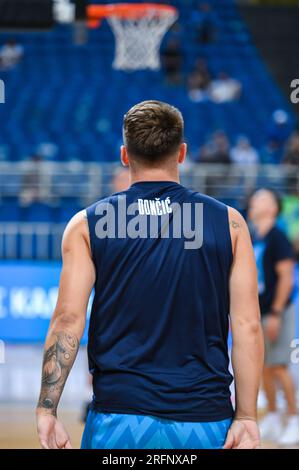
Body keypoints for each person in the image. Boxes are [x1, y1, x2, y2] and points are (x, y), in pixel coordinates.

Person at [36, 100, 263, 449]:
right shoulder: (231, 223)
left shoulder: (85, 225)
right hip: (205, 420)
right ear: (182, 153)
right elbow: (247, 326)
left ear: (125, 155)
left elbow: (68, 320)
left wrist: (47, 409)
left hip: (119, 418)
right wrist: (246, 416)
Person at [248, 189, 299, 446]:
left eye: (260, 199)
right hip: (261, 311)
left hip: (277, 312)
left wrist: (277, 312)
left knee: (279, 366)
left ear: (272, 208)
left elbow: (287, 277)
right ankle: (274, 415)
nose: (253, 202)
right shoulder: (256, 236)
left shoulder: (278, 237)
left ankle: (293, 419)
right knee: (264, 368)